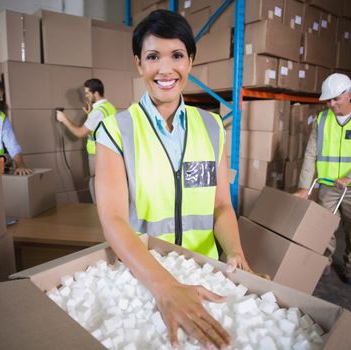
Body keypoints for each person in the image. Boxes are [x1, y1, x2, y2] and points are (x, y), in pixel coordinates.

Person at [95, 10, 252, 349]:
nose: (165, 70)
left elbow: (222, 205)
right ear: (139, 63)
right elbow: (113, 220)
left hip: (203, 272)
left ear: (190, 61)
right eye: (153, 57)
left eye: (177, 55)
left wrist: (235, 251)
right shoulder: (115, 130)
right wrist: (165, 287)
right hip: (145, 276)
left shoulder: (211, 127)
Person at [294, 73, 351, 285]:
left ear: (349, 94)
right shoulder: (322, 120)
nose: (331, 104)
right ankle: (323, 262)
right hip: (328, 184)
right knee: (325, 226)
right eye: (328, 100)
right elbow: (310, 154)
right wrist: (304, 187)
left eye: (336, 99)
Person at [56, 79, 117, 203]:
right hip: (110, 153)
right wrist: (90, 114)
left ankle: (98, 217)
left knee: (96, 187)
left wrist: (64, 119)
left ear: (95, 93)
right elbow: (102, 128)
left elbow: (80, 133)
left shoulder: (98, 112)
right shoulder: (109, 107)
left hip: (98, 155)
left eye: (87, 93)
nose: (86, 96)